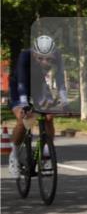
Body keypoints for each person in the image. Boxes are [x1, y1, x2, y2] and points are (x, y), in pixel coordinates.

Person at [8, 35, 68, 177]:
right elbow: (22, 83)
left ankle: (46, 154)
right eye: (40, 58)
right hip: (19, 86)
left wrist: (65, 101)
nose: (45, 62)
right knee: (23, 120)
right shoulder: (25, 56)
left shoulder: (58, 56)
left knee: (48, 116)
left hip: (38, 85)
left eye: (49, 59)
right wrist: (23, 105)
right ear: (34, 53)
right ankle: (14, 155)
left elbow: (60, 80)